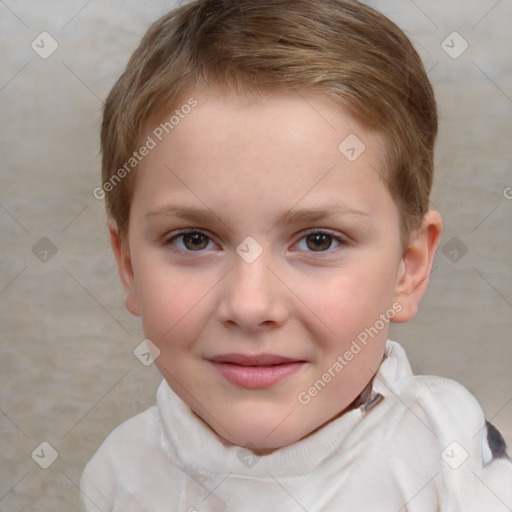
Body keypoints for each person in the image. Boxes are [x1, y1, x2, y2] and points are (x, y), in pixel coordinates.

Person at [81, 0, 512, 510]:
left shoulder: (452, 464)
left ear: (407, 269)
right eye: (194, 240)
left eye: (318, 241)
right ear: (128, 266)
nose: (250, 305)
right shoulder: (120, 477)